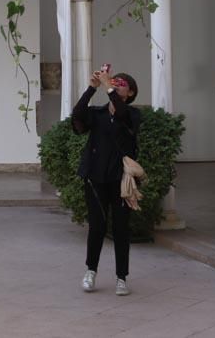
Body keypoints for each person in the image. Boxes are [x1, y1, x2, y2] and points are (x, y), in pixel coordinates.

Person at [71, 67, 141, 296]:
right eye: (115, 81)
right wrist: (92, 87)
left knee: (121, 229)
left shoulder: (132, 114)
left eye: (122, 83)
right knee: (97, 227)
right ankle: (90, 271)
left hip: (121, 181)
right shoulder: (98, 114)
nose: (117, 84)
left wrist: (107, 85)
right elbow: (78, 116)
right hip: (95, 179)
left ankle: (122, 278)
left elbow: (120, 114)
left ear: (130, 93)